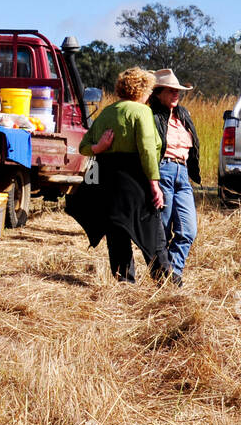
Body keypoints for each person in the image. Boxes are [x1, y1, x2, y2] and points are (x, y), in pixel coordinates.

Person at [66, 67, 168, 283]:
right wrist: (154, 184)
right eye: (149, 89)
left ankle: (124, 283)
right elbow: (147, 149)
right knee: (152, 234)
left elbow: (84, 147)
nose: (150, 94)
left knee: (117, 233)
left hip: (109, 182)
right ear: (142, 89)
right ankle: (164, 282)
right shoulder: (142, 112)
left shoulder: (107, 112)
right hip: (136, 180)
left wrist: (100, 147)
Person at [149, 69, 201, 286]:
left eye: (178, 91)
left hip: (183, 174)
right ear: (158, 93)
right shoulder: (151, 115)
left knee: (188, 229)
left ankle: (172, 271)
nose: (176, 94)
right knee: (163, 228)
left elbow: (194, 145)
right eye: (171, 91)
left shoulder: (184, 114)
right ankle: (164, 274)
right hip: (164, 171)